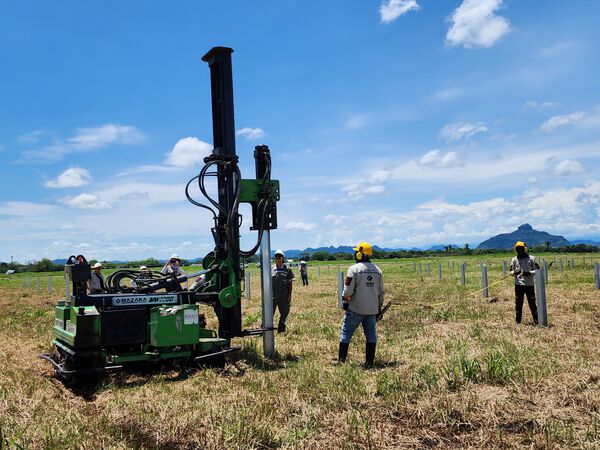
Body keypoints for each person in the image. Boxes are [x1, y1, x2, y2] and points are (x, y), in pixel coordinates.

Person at [338, 242, 384, 367]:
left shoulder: (354, 269)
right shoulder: (377, 270)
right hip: (372, 310)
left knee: (345, 333)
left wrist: (345, 302)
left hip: (356, 308)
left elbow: (347, 291)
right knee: (371, 335)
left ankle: (341, 361)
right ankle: (369, 363)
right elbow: (381, 292)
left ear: (360, 253)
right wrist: (378, 307)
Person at [509, 241, 540, 324]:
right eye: (517, 248)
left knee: (532, 303)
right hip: (518, 285)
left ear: (524, 249)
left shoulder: (532, 258)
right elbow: (510, 272)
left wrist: (529, 273)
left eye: (521, 248)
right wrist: (515, 273)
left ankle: (536, 321)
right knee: (518, 304)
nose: (519, 250)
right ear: (515, 249)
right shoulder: (514, 259)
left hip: (529, 285)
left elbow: (538, 270)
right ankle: (518, 322)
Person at [272, 249, 295, 333]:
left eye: (280, 256)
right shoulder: (271, 269)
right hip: (273, 295)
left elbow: (290, 283)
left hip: (284, 295)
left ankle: (281, 329)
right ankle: (264, 330)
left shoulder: (287, 269)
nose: (278, 258)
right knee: (269, 313)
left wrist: (289, 295)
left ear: (283, 258)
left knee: (285, 312)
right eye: (276, 256)